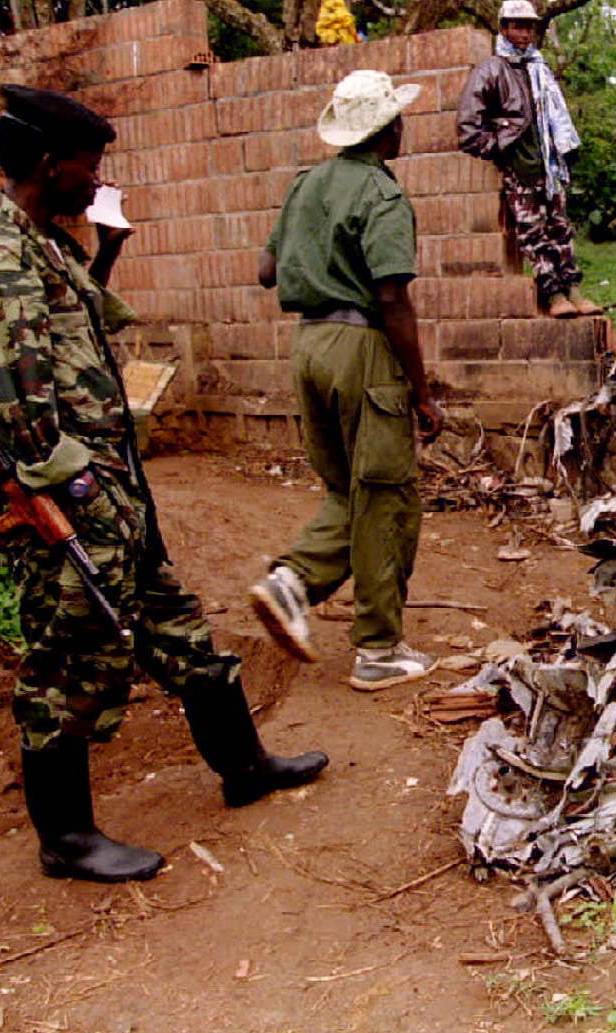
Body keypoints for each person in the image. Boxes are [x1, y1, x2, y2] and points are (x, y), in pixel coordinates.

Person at [0, 84, 328, 884]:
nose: (97, 182)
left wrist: (106, 247)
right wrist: (73, 492)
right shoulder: (1, 255)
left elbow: (84, 324)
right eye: (90, 169)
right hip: (66, 500)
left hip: (108, 490)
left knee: (174, 621)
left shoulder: (44, 241)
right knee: (68, 652)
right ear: (50, 166)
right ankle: (67, 836)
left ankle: (244, 764)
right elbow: (3, 393)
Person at [250, 70, 445, 692]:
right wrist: (420, 389)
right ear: (387, 128)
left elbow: (265, 270)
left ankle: (291, 584)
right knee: (385, 495)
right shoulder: (382, 195)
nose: (403, 125)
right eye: (397, 116)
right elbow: (392, 297)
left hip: (308, 345)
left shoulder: (305, 186)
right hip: (360, 346)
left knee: (346, 490)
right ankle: (378, 649)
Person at [456, 0, 602, 319]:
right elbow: (468, 129)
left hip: (548, 166)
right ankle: (553, 294)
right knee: (533, 233)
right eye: (517, 26)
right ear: (504, 28)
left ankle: (574, 290)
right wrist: (501, 148)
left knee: (560, 227)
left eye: (528, 27)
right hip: (520, 167)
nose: (524, 33)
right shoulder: (491, 70)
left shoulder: (539, 68)